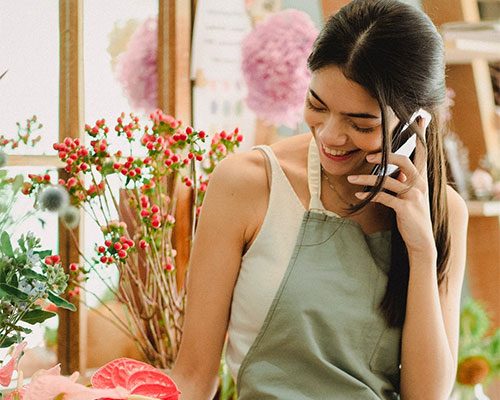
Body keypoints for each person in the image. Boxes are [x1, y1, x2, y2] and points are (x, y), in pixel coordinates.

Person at [171, 0, 468, 398]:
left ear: (414, 126)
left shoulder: (443, 212)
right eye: (317, 106)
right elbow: (192, 377)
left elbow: (428, 396)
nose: (330, 135)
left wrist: (421, 249)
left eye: (360, 123)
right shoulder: (246, 184)